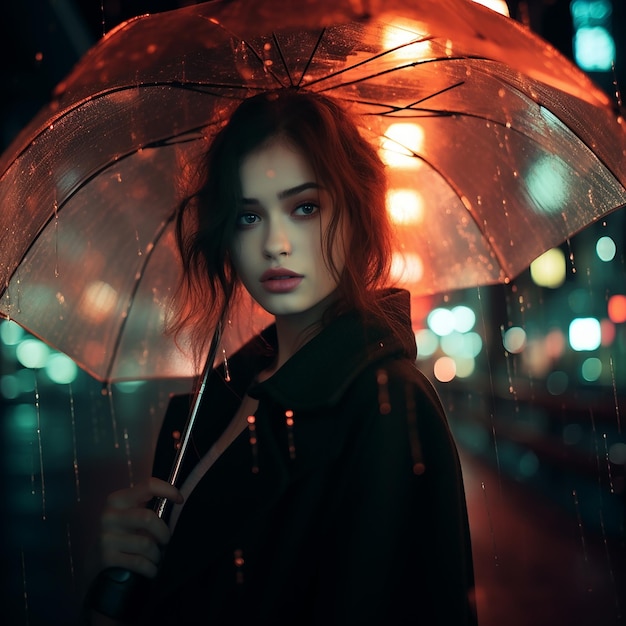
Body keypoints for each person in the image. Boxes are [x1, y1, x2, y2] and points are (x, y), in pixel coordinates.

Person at [84, 90, 477, 625]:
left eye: (305, 207)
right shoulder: (221, 400)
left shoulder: (386, 404)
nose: (275, 243)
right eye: (248, 217)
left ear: (358, 215)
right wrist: (126, 569)